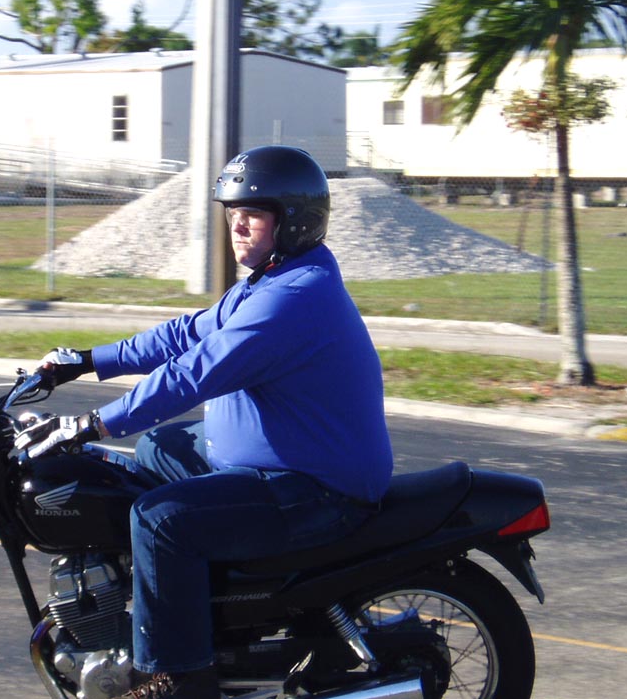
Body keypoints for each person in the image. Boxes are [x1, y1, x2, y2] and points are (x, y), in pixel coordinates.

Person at [26, 145, 393, 699]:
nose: (237, 225)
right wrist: (88, 360)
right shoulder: (272, 279)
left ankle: (178, 676)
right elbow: (185, 335)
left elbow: (193, 374)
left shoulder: (294, 297)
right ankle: (190, 599)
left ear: (294, 222)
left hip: (316, 488)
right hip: (276, 455)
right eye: (233, 213)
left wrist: (92, 424)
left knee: (158, 520)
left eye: (253, 214)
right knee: (156, 450)